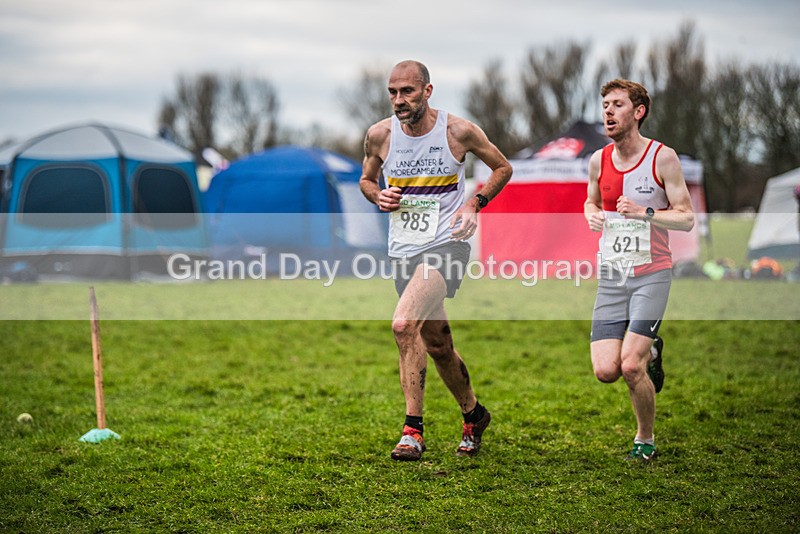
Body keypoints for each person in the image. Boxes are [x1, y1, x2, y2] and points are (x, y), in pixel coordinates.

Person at [360, 60, 512, 461]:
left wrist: (474, 204)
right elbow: (366, 180)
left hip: (447, 245)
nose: (398, 100)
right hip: (403, 248)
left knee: (402, 323)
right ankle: (474, 414)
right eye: (393, 92)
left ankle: (413, 431)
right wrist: (379, 196)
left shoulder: (457, 131)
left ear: (427, 92)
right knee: (438, 344)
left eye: (407, 91)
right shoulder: (379, 135)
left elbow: (502, 167)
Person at [584, 79, 695, 461]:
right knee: (605, 370)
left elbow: (686, 219)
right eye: (605, 105)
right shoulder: (598, 160)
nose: (608, 112)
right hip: (613, 277)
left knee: (630, 366)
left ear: (638, 111)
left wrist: (646, 212)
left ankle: (644, 440)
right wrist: (594, 216)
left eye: (617, 105)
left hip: (652, 274)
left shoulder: (662, 158)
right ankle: (652, 351)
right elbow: (590, 202)